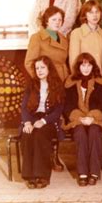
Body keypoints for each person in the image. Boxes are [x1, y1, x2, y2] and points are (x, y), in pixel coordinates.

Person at [63, 53, 102, 186]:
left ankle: (94, 172)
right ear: (78, 67)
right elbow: (67, 105)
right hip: (77, 120)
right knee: (80, 133)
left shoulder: (100, 82)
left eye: (89, 65)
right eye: (83, 65)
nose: (86, 68)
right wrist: (79, 117)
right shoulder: (70, 82)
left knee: (94, 132)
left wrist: (93, 117)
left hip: (95, 120)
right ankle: (82, 172)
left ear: (93, 66)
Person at [20, 56, 65, 189]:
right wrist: (27, 122)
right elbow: (24, 107)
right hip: (32, 118)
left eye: (42, 67)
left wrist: (44, 121)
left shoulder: (57, 85)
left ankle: (42, 175)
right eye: (37, 68)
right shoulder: (31, 84)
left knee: (40, 135)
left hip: (49, 120)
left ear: (49, 68)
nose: (39, 71)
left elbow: (58, 111)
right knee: (28, 134)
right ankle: (30, 175)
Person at [25, 6, 69, 82]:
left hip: (63, 80)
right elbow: (29, 63)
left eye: (60, 20)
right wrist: (41, 81)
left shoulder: (64, 39)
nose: (57, 22)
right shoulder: (37, 38)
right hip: (47, 81)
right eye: (54, 19)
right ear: (46, 21)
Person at [69, 0, 102, 73]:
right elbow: (73, 61)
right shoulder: (76, 33)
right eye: (91, 12)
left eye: (97, 12)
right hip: (83, 78)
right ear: (85, 14)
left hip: (101, 78)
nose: (95, 15)